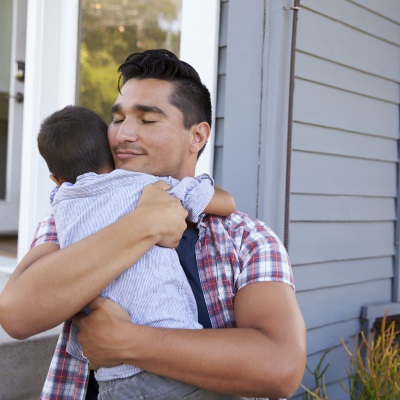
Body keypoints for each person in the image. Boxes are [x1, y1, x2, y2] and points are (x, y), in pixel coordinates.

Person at [0, 49, 307, 400]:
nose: (123, 135)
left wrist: (126, 342)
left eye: (147, 121)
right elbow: (18, 315)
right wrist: (143, 224)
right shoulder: (70, 216)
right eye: (117, 119)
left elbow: (280, 366)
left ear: (198, 136)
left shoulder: (246, 239)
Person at [37, 104, 237, 399]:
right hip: (175, 357)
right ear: (112, 155)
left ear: (55, 180)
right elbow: (224, 203)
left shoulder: (60, 208)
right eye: (118, 120)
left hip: (112, 376)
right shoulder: (144, 186)